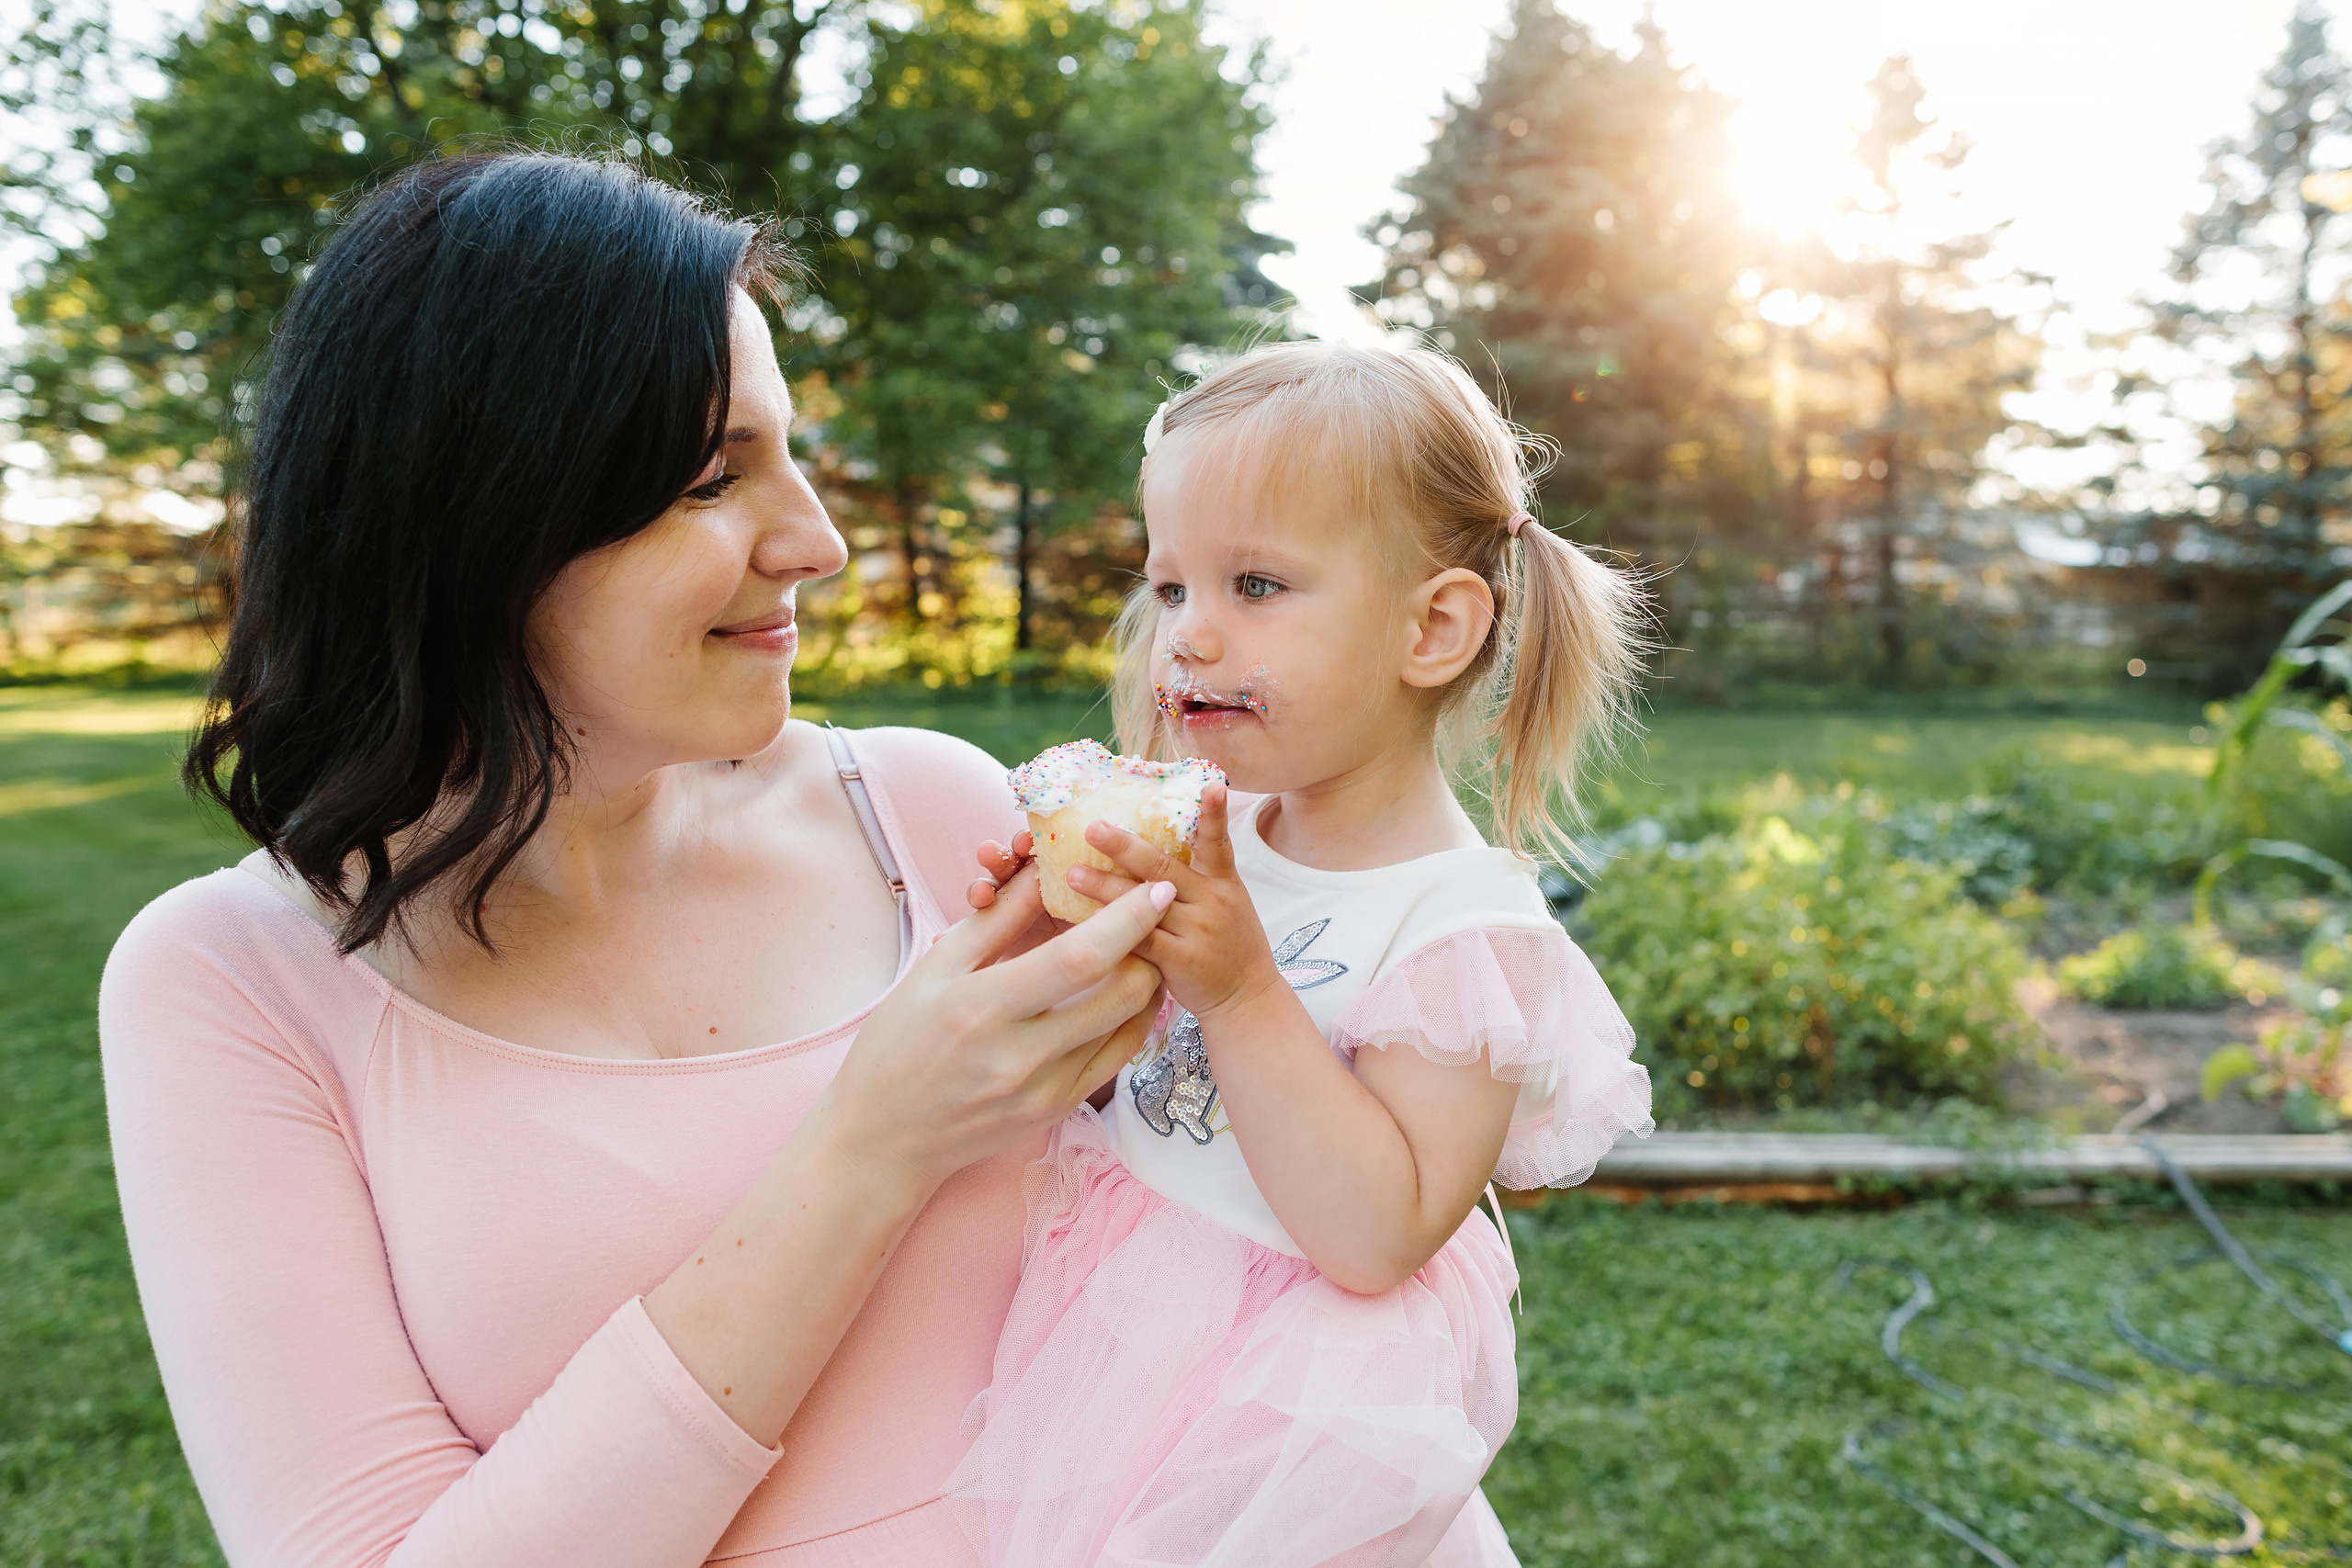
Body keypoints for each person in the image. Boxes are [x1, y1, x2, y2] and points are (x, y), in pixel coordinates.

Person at [96, 149, 1177, 1566]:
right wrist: (875, 1142)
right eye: (710, 479)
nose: (819, 541)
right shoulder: (231, 985)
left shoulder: (925, 811)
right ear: (479, 514)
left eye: (793, 455)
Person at [944, 343, 1656, 1566]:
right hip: (1122, 1321)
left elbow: (1376, 1234)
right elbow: (1165, 1098)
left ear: (1432, 626)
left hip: (1285, 1414)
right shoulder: (1224, 837)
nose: (1188, 637)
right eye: (1172, 588)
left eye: (1256, 587)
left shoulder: (1462, 936)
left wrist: (1236, 984)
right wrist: (1078, 952)